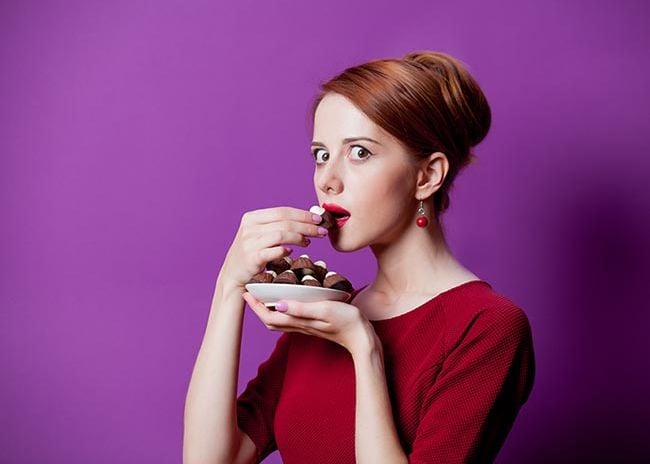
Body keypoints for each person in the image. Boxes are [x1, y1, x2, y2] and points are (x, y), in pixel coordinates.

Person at [183, 50, 536, 464]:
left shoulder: (486, 327)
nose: (328, 181)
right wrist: (229, 286)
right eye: (321, 155)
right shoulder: (325, 312)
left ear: (427, 176)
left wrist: (362, 347)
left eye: (360, 152)